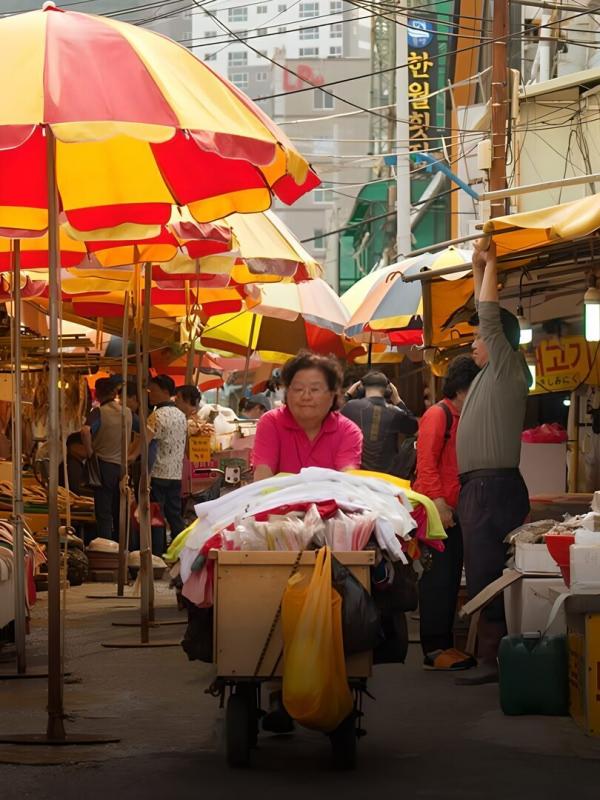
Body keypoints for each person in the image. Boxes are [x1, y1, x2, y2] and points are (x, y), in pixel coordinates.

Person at [455, 239, 531, 685]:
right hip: (480, 488)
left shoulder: (506, 366)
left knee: (487, 571)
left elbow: (489, 315)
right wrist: (476, 271)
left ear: (499, 340)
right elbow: (483, 316)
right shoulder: (488, 376)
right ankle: (492, 656)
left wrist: (488, 265)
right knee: (484, 568)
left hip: (491, 487)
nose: (475, 343)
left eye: (480, 337)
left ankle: (494, 660)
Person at [413, 355, 480, 671]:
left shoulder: (460, 416)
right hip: (437, 512)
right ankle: (434, 648)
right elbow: (425, 464)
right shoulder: (438, 415)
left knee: (451, 578)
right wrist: (439, 505)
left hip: (456, 511)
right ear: (462, 389)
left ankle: (445, 644)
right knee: (438, 579)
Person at [252, 351, 363, 481]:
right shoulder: (271, 422)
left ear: (332, 395)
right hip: (278, 500)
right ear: (287, 393)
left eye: (315, 389)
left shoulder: (348, 431)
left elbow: (347, 479)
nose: (306, 396)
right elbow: (262, 476)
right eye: (298, 389)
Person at [81, 377, 132, 542]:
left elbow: (85, 431)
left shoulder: (98, 412)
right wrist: (132, 454)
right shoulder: (128, 412)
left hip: (103, 465)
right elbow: (145, 431)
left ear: (98, 394)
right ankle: (121, 547)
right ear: (115, 393)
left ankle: (105, 547)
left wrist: (90, 452)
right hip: (122, 468)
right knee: (119, 510)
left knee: (103, 511)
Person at [340, 371, 418, 475]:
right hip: (386, 478)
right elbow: (413, 427)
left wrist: (348, 394)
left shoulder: (350, 406)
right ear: (389, 391)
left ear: (361, 389)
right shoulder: (396, 412)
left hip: (356, 475)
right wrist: (397, 400)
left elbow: (333, 415)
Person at [146, 374, 188, 550]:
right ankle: (181, 551)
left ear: (164, 391)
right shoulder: (181, 415)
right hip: (175, 474)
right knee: (174, 515)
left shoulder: (155, 416)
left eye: (152, 390)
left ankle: (157, 552)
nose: (149, 394)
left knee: (156, 516)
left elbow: (145, 443)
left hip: (157, 473)